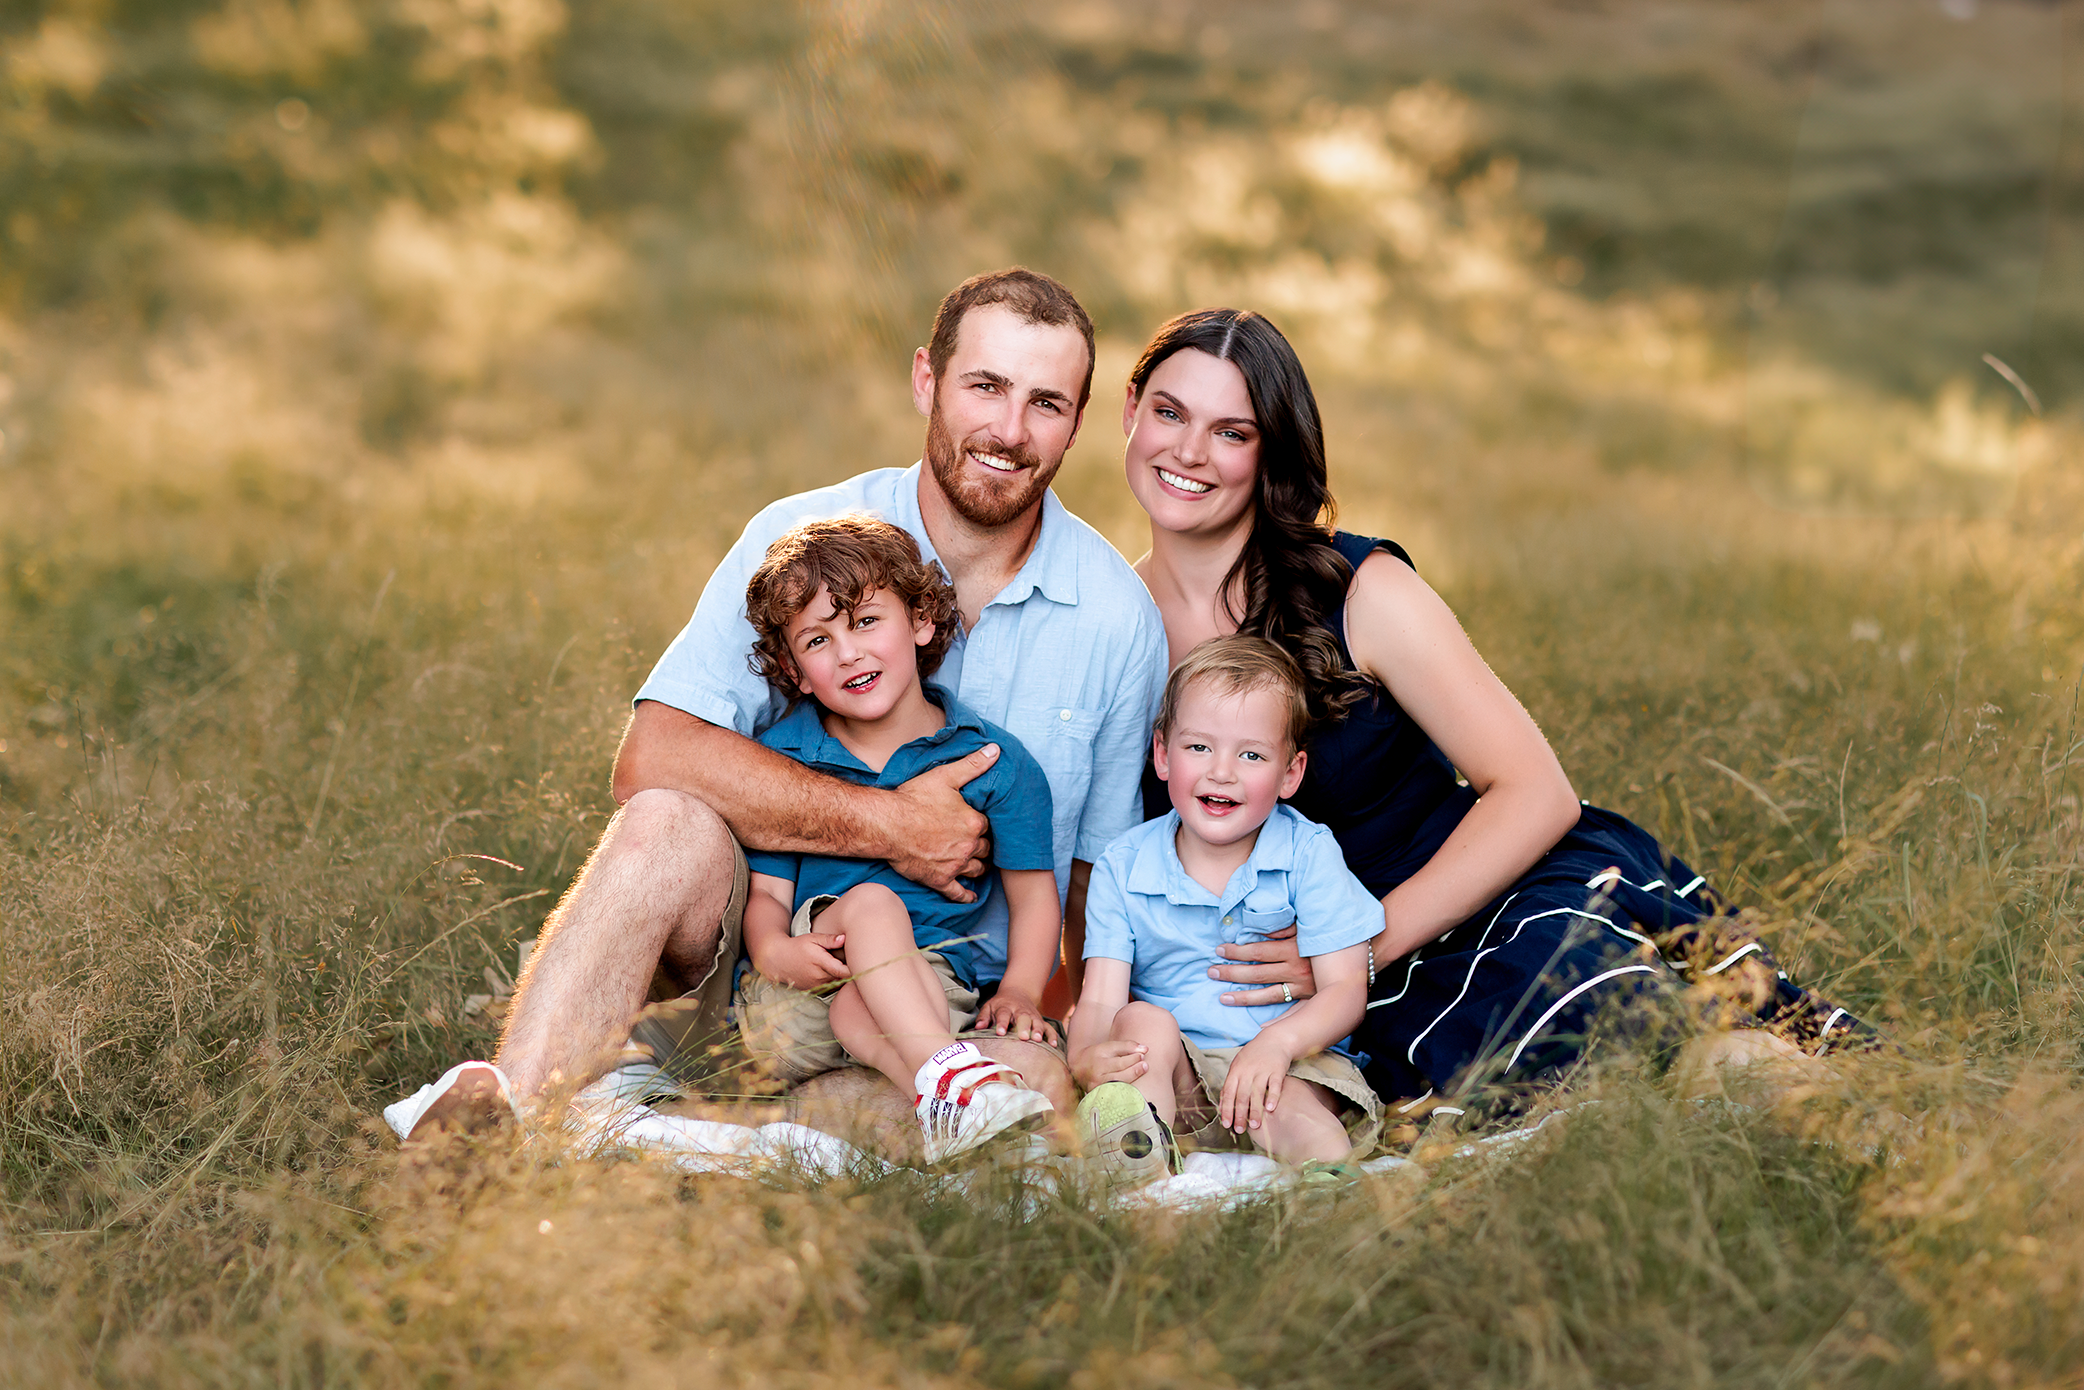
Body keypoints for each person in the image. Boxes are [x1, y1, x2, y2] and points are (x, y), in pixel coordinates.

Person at [389, 268, 1169, 1143]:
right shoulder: (800, 543)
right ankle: (513, 1114)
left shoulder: (1114, 619)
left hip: (945, 1009)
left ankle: (676, 1117)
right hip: (762, 970)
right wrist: (888, 825)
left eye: (1046, 403)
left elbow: (1092, 883)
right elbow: (654, 756)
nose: (1009, 430)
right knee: (664, 820)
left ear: (1078, 422)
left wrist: (1045, 1020)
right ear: (927, 380)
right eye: (984, 386)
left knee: (1017, 1111)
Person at [1102, 306, 1873, 1115]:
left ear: (1271, 453)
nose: (1188, 452)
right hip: (1309, 990)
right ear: (1130, 411)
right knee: (1466, 1092)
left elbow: (1536, 792)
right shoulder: (1109, 631)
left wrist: (1362, 946)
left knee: (1583, 1002)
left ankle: (1782, 1095)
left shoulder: (1360, 589)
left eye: (1231, 431)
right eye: (1168, 412)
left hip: (1475, 895)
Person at [734, 514, 1060, 1161]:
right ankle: (953, 1074)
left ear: (920, 621)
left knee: (871, 1001)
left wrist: (1020, 988)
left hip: (924, 988)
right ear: (795, 671)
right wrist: (772, 950)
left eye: (864, 621)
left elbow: (1034, 899)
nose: (848, 651)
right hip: (799, 991)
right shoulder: (784, 758)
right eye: (817, 640)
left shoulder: (993, 761)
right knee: (873, 907)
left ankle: (939, 1089)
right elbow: (768, 894)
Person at [1069, 636, 1383, 1183]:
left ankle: (1328, 1183)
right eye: (1199, 748)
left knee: (1292, 1111)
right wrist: (1087, 1057)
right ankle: (1135, 1163)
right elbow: (1098, 998)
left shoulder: (1308, 854)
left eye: (1252, 754)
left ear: (1291, 773)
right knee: (1141, 1022)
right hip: (1178, 1075)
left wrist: (1276, 1045)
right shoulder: (1123, 866)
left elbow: (1345, 990)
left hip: (1287, 1066)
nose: (1222, 772)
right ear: (1162, 755)